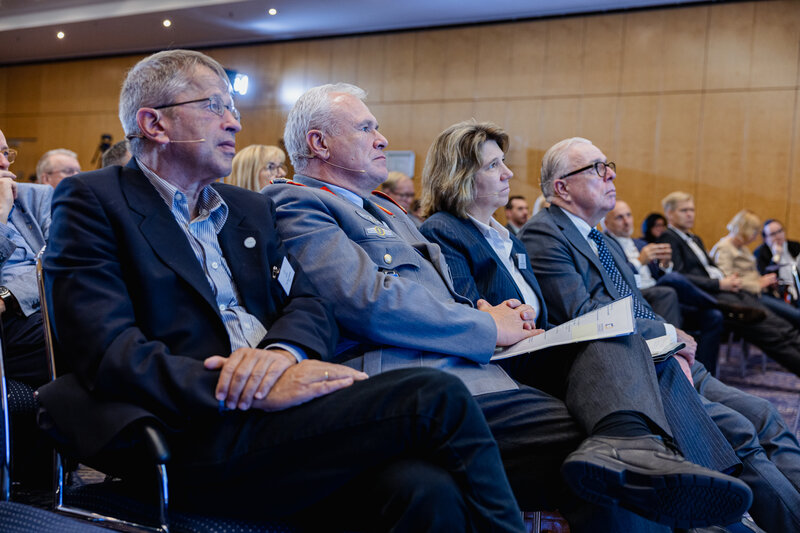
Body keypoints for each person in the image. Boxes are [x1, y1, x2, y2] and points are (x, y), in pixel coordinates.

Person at [35, 50, 528, 532]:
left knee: (425, 489)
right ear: (154, 124)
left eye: (232, 108)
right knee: (434, 394)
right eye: (213, 106)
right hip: (194, 423)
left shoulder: (246, 208)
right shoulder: (95, 200)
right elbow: (107, 350)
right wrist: (242, 384)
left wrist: (282, 354)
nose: (234, 123)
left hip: (285, 412)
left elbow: (309, 302)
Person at [266, 90, 753, 531]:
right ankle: (676, 478)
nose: (382, 138)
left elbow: (436, 292)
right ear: (320, 143)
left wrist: (483, 308)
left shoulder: (387, 210)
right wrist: (484, 322)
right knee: (603, 443)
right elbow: (368, 301)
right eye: (366, 128)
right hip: (415, 383)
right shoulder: (296, 202)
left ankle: (638, 449)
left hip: (473, 367)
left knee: (613, 341)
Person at [520, 137, 800, 532]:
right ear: (562, 187)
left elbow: (636, 304)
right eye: (597, 168)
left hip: (666, 355)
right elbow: (582, 316)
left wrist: (671, 339)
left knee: (766, 415)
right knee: (738, 431)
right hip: (634, 371)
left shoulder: (602, 239)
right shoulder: (544, 234)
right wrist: (668, 332)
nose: (610, 174)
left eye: (609, 165)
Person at [659, 191, 800, 377]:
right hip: (711, 295)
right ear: (669, 214)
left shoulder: (695, 238)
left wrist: (729, 281)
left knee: (782, 327)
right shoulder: (668, 237)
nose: (690, 214)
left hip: (729, 292)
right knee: (771, 332)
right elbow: (680, 276)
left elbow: (711, 268)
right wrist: (720, 283)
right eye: (684, 210)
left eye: (691, 210)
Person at [0, 128, 51, 387]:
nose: (4, 163)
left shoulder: (35, 197)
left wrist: (8, 295)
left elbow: (59, 260)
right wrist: (1, 215)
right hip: (10, 326)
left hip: (47, 302)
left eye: (5, 153)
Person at [711, 210, 800, 327]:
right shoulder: (724, 248)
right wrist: (758, 284)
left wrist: (764, 280)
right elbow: (727, 281)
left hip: (758, 293)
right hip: (748, 296)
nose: (756, 237)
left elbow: (748, 274)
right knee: (794, 317)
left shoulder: (742, 248)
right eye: (754, 233)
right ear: (745, 230)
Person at [754, 218, 800, 303]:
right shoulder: (760, 253)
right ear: (765, 238)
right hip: (778, 295)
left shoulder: (795, 246)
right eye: (773, 234)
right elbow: (765, 278)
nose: (778, 236)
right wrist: (776, 257)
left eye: (780, 231)